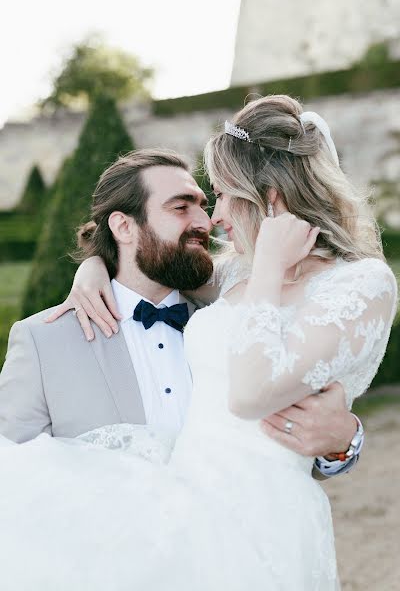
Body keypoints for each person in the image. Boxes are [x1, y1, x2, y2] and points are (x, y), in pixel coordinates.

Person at [0, 95, 396, 590]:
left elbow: (258, 399)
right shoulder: (46, 340)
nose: (212, 219)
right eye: (182, 206)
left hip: (257, 527)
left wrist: (345, 441)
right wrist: (95, 262)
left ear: (268, 198)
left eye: (218, 197)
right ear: (123, 226)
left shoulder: (281, 282)